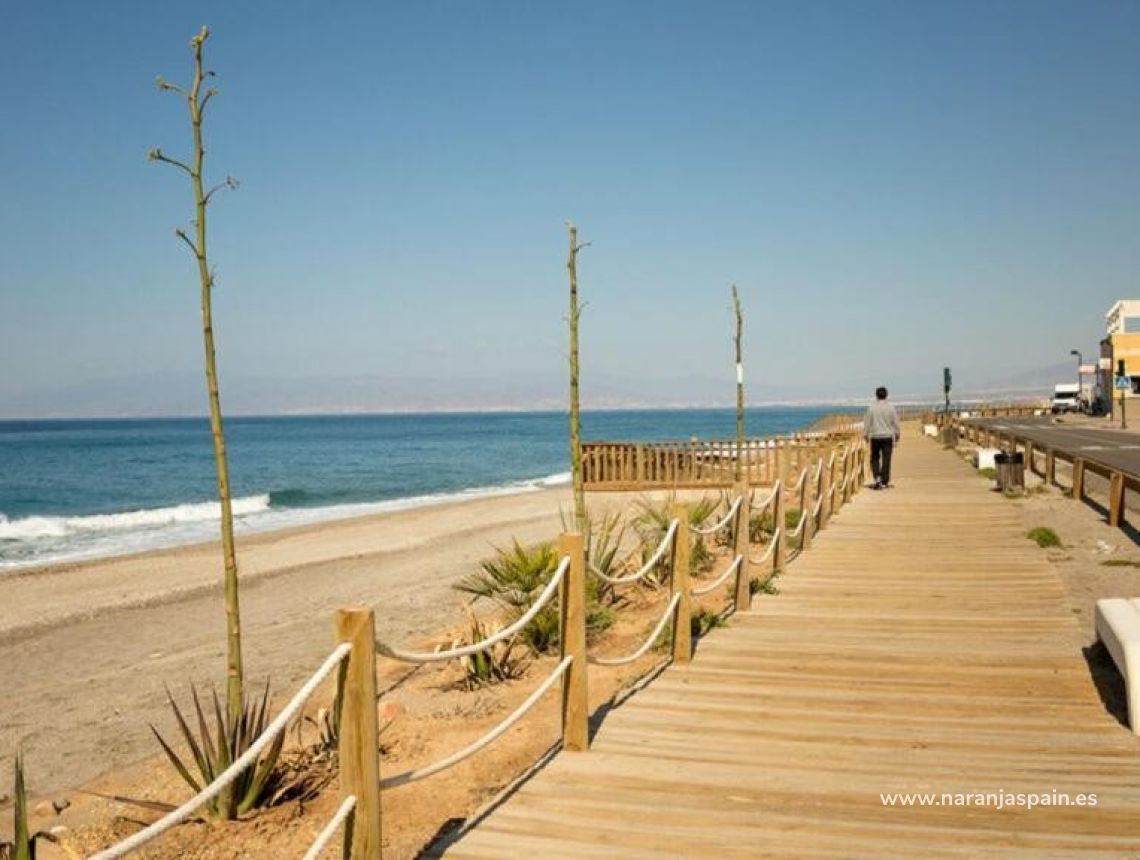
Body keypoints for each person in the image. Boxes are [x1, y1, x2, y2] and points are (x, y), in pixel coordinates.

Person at [864, 386, 901, 489]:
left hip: (875, 436)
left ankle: (877, 478)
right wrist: (897, 434)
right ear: (886, 395)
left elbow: (867, 423)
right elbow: (895, 423)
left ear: (876, 395)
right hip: (887, 436)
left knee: (874, 458)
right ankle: (884, 480)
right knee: (886, 459)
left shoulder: (871, 408)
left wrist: (866, 435)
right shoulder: (891, 408)